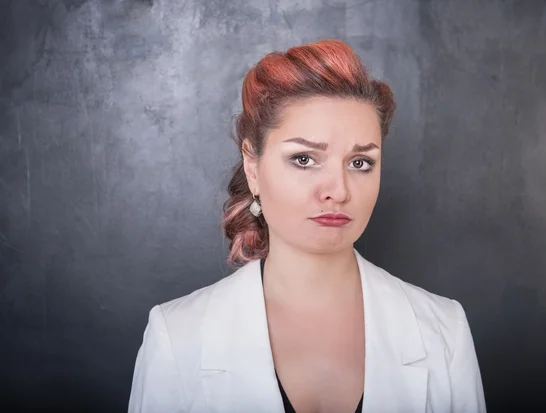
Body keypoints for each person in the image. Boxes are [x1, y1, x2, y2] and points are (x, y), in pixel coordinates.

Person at [127, 39, 486, 413]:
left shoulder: (445, 331)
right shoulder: (175, 336)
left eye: (360, 163)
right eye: (303, 159)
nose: (338, 190)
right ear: (253, 167)